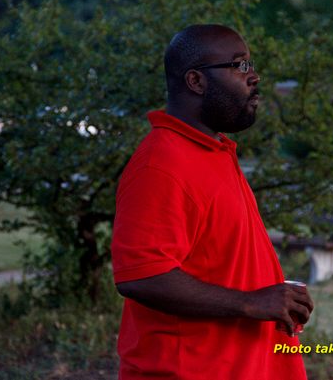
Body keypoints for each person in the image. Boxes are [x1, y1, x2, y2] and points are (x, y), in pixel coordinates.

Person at [111, 24, 314, 380]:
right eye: (240, 66)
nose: (254, 77)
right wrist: (250, 303)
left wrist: (273, 296)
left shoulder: (213, 150)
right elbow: (142, 276)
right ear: (196, 81)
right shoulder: (160, 164)